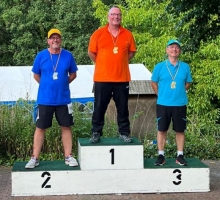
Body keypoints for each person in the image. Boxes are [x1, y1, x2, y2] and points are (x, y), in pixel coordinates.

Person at [25, 28, 78, 168]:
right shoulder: (41, 56)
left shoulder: (68, 56)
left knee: (66, 127)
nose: (55, 40)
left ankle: (68, 156)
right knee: (40, 127)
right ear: (48, 40)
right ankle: (34, 158)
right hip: (45, 100)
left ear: (60, 40)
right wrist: (46, 85)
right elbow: (36, 75)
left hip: (63, 100)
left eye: (57, 37)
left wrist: (62, 84)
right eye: (52, 38)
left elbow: (73, 74)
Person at [88, 6, 136, 143]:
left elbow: (132, 52)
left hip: (122, 78)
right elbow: (91, 52)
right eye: (114, 14)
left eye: (119, 15)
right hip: (102, 78)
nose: (116, 17)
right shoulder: (98, 33)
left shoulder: (127, 34)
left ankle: (124, 133)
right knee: (99, 107)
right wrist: (103, 63)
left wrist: (121, 61)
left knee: (123, 108)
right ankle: (96, 132)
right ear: (108, 17)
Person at [151, 39, 193, 166]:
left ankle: (180, 155)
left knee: (180, 130)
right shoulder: (159, 66)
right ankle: (161, 155)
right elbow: (153, 82)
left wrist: (180, 91)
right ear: (167, 50)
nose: (174, 49)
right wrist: (161, 94)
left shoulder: (185, 66)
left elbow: (188, 82)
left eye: (177, 47)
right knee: (162, 129)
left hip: (180, 104)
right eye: (171, 47)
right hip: (163, 104)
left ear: (179, 51)